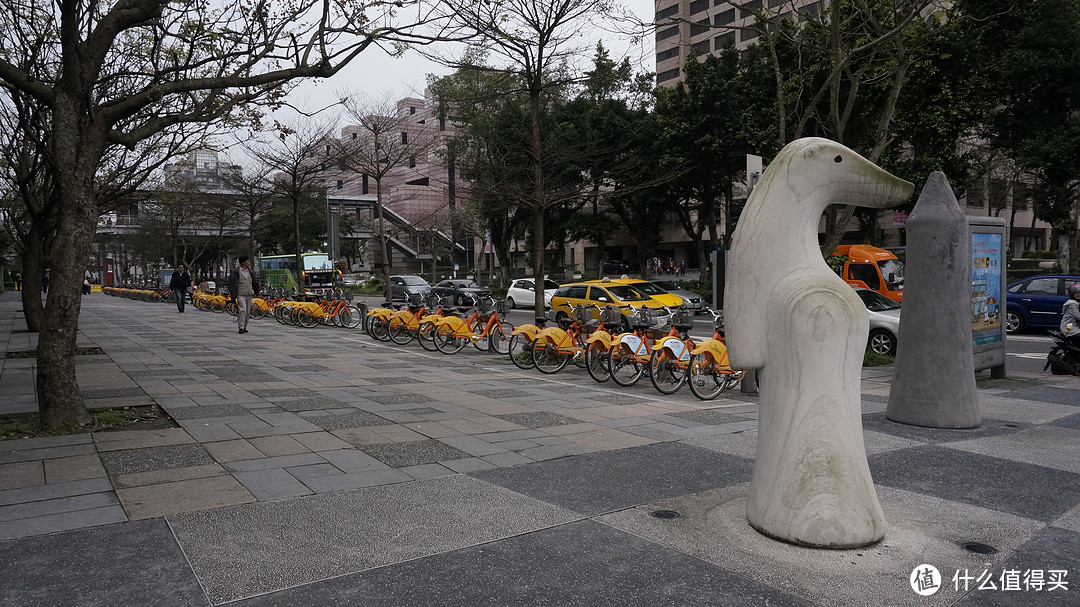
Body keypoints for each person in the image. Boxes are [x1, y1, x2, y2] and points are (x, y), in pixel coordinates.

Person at [228, 256, 260, 334]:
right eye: (248, 261)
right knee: (243, 310)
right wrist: (233, 293)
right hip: (240, 294)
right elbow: (231, 283)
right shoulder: (236, 272)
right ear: (243, 262)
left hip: (249, 293)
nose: (249, 262)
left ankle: (245, 326)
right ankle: (241, 327)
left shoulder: (251, 272)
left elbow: (255, 282)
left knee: (248, 311)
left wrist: (257, 291)